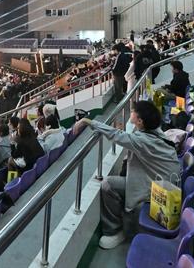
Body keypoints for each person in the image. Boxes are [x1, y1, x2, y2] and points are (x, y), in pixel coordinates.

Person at [73, 100, 181, 250]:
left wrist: (88, 121)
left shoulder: (142, 140)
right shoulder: (153, 132)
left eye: (133, 111)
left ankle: (115, 230)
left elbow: (115, 135)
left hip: (160, 191)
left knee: (108, 184)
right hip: (165, 182)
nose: (131, 112)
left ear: (140, 121)